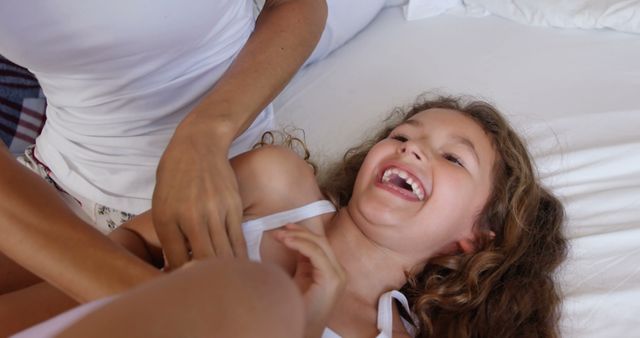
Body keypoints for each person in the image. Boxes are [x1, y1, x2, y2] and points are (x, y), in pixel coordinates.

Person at [10, 96, 568, 337]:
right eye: (401, 135)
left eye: (452, 158)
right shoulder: (276, 184)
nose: (411, 149)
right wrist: (164, 288)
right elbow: (126, 242)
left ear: (474, 237)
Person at [0, 0, 327, 304]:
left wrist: (205, 133)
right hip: (49, 187)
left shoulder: (273, 180)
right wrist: (149, 299)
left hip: (227, 192)